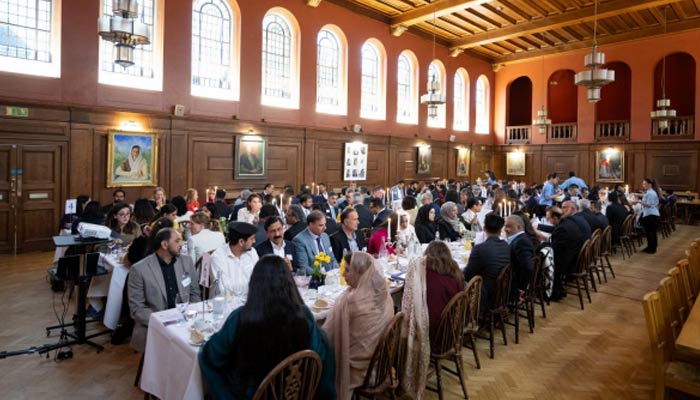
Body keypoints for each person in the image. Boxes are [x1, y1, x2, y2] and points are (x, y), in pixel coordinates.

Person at [199, 256, 336, 400]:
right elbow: (319, 354)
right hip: (296, 393)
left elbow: (211, 355)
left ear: (254, 284)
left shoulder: (241, 317)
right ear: (289, 283)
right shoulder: (303, 315)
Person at [323, 252, 394, 400]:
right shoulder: (383, 293)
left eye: (348, 270)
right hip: (382, 362)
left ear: (360, 273)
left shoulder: (351, 303)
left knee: (320, 354)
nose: (343, 274)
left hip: (360, 370)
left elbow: (327, 336)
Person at [128, 228, 201, 352]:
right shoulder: (139, 269)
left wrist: (191, 317)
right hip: (155, 326)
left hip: (186, 323)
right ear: (164, 245)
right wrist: (162, 322)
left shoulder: (186, 261)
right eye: (177, 241)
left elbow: (194, 292)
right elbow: (136, 308)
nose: (181, 244)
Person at [463, 214, 510, 315]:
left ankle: (463, 318)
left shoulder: (480, 249)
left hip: (485, 293)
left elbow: (468, 275)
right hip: (503, 291)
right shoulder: (506, 246)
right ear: (501, 230)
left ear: (484, 228)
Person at [210, 222, 259, 300]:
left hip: (250, 302)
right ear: (241, 242)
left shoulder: (252, 253)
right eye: (252, 239)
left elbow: (258, 280)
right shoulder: (218, 257)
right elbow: (224, 289)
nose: (254, 241)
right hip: (226, 305)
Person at [547, 206, 585, 300]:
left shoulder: (562, 229)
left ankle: (553, 292)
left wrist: (544, 244)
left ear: (555, 218)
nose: (548, 221)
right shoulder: (568, 222)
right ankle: (557, 289)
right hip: (575, 256)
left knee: (544, 259)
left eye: (549, 219)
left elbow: (554, 250)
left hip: (568, 263)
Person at [504, 216, 535, 298]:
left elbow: (528, 267)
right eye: (505, 226)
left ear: (519, 227)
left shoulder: (521, 242)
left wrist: (521, 288)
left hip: (512, 285)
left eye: (509, 226)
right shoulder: (518, 239)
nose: (505, 229)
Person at [639, 178, 660, 254]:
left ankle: (652, 249)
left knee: (651, 232)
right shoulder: (650, 192)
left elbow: (648, 204)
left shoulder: (651, 193)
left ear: (650, 185)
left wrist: (638, 201)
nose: (643, 185)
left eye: (645, 184)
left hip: (651, 215)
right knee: (650, 232)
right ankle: (650, 247)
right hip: (650, 214)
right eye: (643, 184)